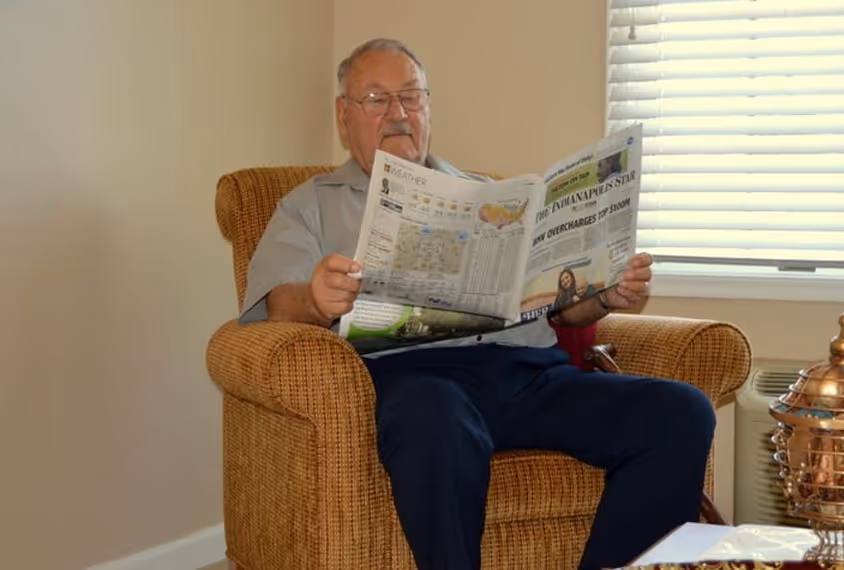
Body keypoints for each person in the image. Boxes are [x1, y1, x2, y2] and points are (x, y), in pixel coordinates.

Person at [240, 38, 716, 570]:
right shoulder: (311, 205)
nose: (398, 114)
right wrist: (317, 300)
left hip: (529, 376)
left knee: (680, 411)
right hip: (414, 381)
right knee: (436, 415)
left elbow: (557, 311)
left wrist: (601, 296)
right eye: (377, 99)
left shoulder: (493, 196)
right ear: (343, 115)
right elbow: (279, 308)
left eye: (412, 97)